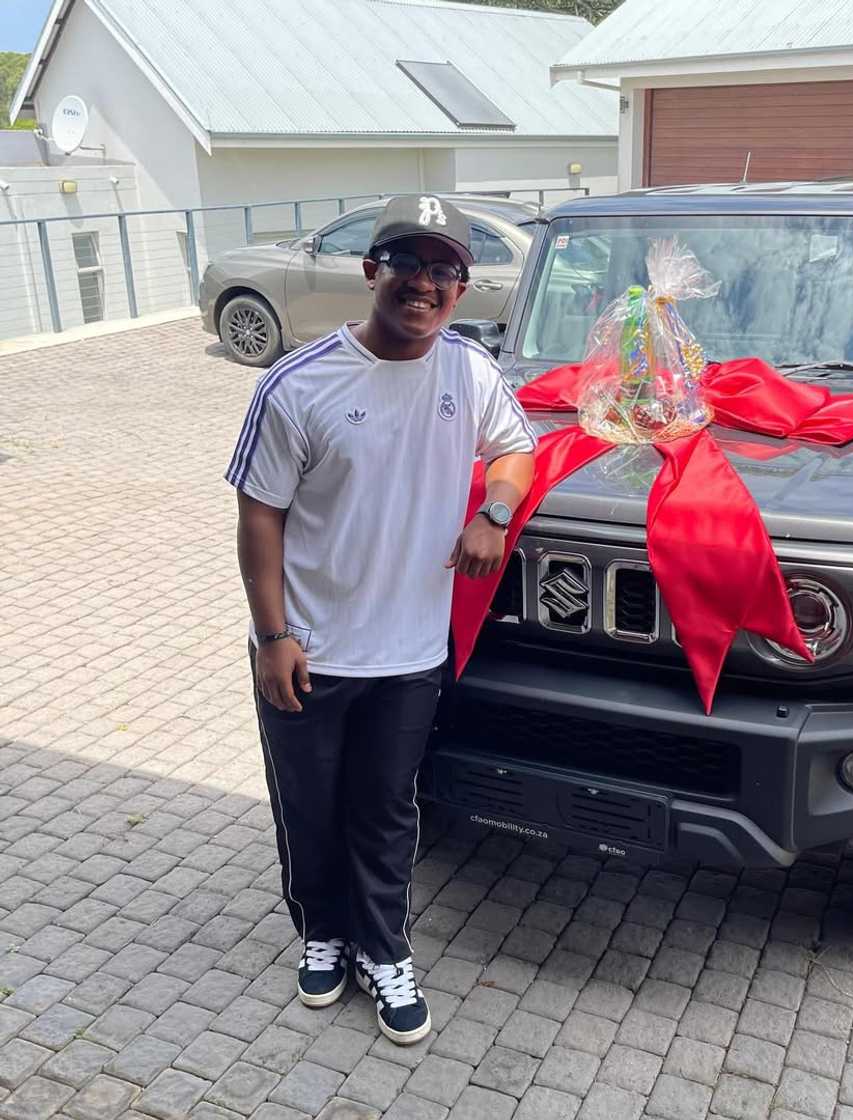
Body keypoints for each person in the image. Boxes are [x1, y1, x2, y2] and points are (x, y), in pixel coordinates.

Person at [224, 195, 536, 1045]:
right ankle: (322, 935)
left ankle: (384, 946)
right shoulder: (300, 384)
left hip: (408, 652)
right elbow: (260, 517)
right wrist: (273, 636)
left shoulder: (470, 373)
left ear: (463, 290)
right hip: (311, 648)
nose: (424, 283)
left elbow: (515, 447)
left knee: (388, 807)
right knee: (310, 803)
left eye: (444, 270)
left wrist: (495, 513)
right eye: (407, 263)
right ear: (372, 272)